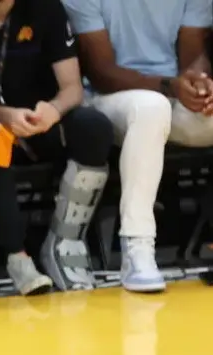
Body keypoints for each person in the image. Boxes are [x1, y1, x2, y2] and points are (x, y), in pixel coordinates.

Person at [0, 0, 115, 293]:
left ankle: (65, 242)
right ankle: (17, 257)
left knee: (94, 128)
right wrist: (5, 115)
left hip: (39, 118)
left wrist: (53, 110)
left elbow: (72, 88)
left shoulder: (47, 8)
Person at [63, 0, 213, 293]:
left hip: (172, 94)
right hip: (108, 100)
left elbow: (193, 54)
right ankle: (138, 248)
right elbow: (101, 72)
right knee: (151, 107)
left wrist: (199, 83)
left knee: (163, 106)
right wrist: (169, 85)